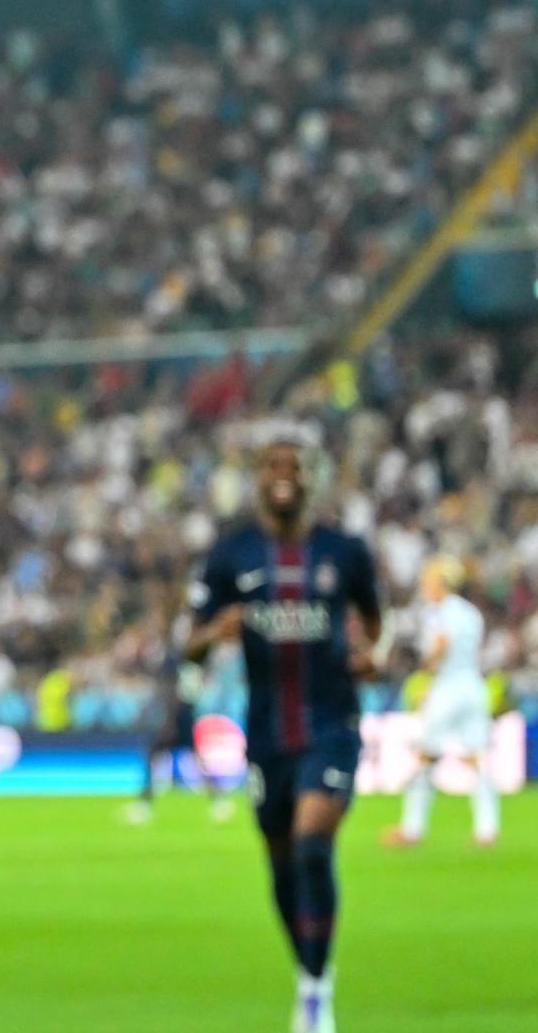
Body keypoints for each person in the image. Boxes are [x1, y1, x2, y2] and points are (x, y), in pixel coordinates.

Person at [185, 437, 381, 1033]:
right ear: (258, 477)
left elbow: (375, 620)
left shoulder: (345, 551)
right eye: (273, 464)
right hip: (267, 734)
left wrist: (370, 651)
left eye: (295, 466)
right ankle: (307, 970)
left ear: (312, 478)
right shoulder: (231, 554)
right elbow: (190, 645)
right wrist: (214, 631)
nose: (284, 474)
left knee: (312, 844)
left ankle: (317, 990)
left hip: (333, 724)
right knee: (281, 865)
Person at [383, 557, 497, 848]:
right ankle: (487, 828)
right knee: (476, 758)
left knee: (425, 756)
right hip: (473, 685)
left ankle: (411, 828)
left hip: (447, 688)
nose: (425, 587)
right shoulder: (470, 612)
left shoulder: (439, 611)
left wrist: (424, 673)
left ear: (441, 583)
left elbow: (441, 644)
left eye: (428, 582)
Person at [124, 601, 235, 825]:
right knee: (191, 759)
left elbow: (177, 687)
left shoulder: (179, 659)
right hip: (183, 714)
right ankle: (217, 800)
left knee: (158, 755)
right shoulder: (188, 659)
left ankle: (145, 804)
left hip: (177, 717)